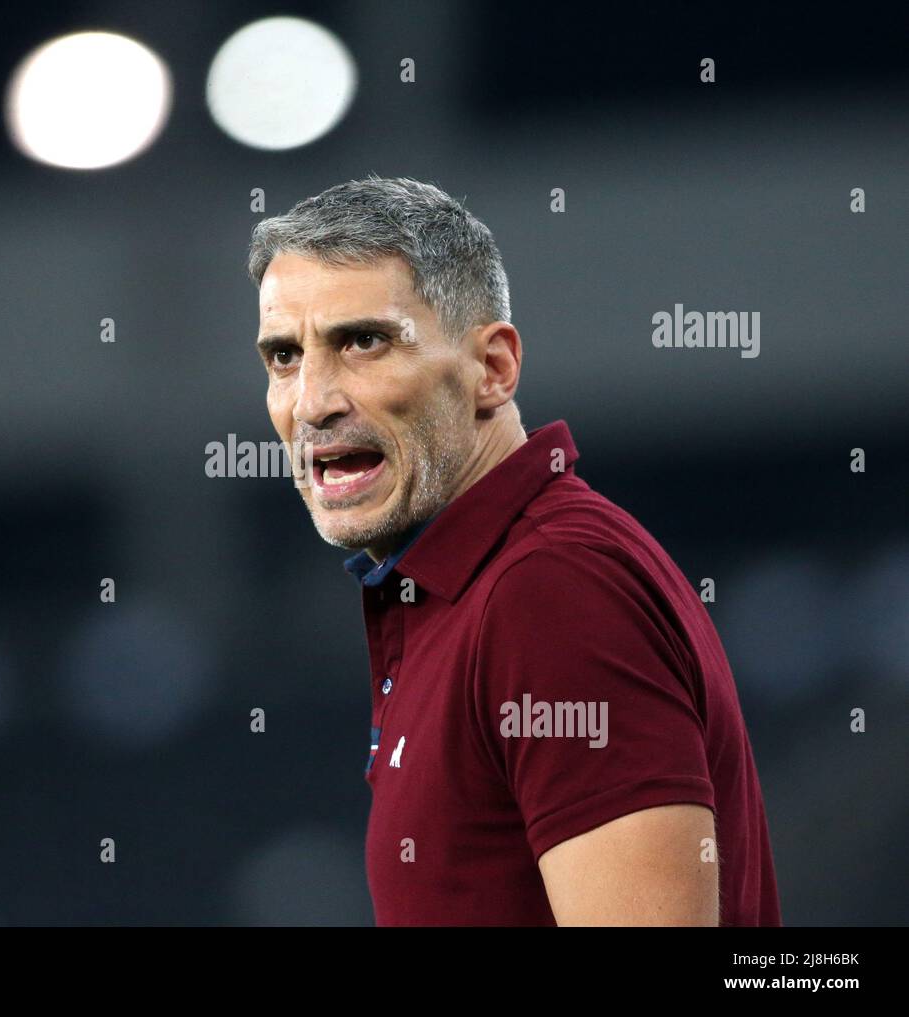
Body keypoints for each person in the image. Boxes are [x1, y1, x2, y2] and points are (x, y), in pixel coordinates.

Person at [247, 174, 781, 926]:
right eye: (283, 356)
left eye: (363, 341)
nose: (312, 401)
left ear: (492, 369)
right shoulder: (472, 582)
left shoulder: (550, 590)